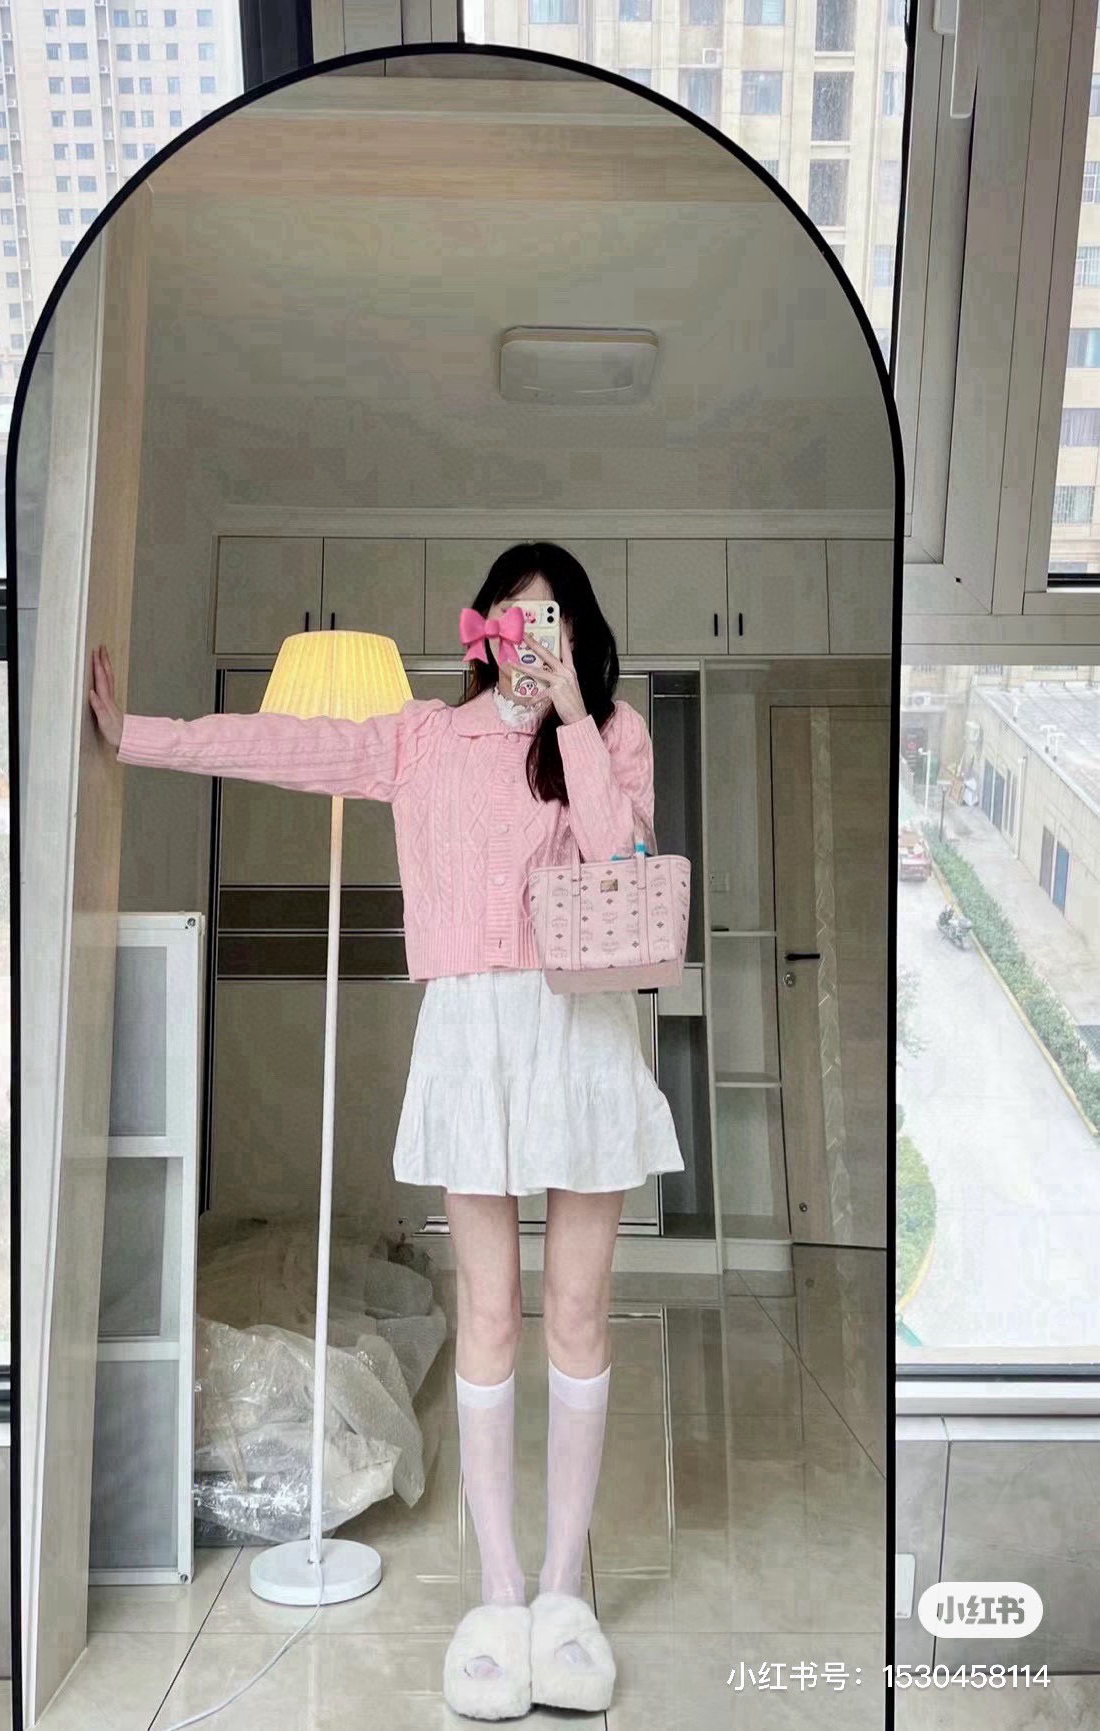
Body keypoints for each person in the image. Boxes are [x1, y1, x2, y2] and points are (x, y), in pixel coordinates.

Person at [89, 540, 684, 1721]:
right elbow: (284, 746)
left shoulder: (611, 732)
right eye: (514, 617)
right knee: (489, 1318)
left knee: (576, 1314)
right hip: (470, 1037)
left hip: (580, 1032)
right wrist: (139, 734)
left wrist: (572, 713)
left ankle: (566, 1589)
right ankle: (499, 1588)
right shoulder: (422, 738)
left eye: (553, 619)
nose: (531, 637)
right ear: (482, 631)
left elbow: (621, 855)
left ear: (577, 635)